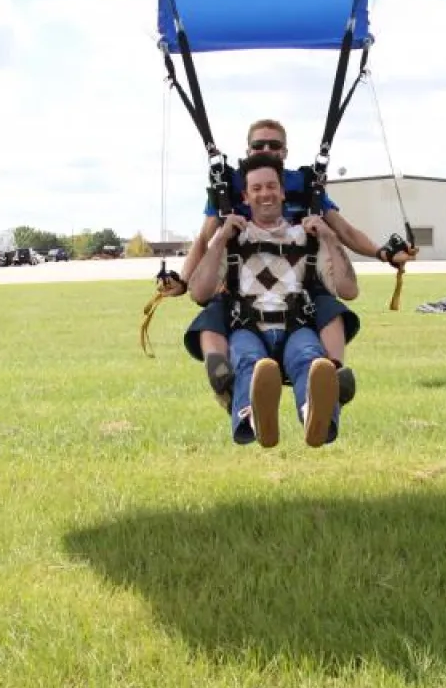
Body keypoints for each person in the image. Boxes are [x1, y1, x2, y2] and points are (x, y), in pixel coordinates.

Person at [166, 118, 413, 409]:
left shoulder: (303, 185)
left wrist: (382, 253)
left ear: (285, 152)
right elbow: (204, 238)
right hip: (242, 279)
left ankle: (332, 372)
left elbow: (344, 231)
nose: (267, 149)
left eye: (274, 145)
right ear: (247, 150)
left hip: (300, 277)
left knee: (328, 306)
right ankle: (222, 376)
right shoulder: (232, 186)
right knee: (215, 308)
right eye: (259, 145)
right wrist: (183, 281)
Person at [188, 152, 356, 448]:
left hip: (295, 325)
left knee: (311, 359)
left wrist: (330, 238)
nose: (264, 194)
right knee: (249, 362)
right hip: (248, 326)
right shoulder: (232, 240)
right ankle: (255, 418)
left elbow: (348, 289)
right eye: (256, 188)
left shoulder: (307, 238)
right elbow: (199, 293)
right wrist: (218, 240)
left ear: (282, 191)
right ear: (245, 195)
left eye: (270, 186)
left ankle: (315, 415)